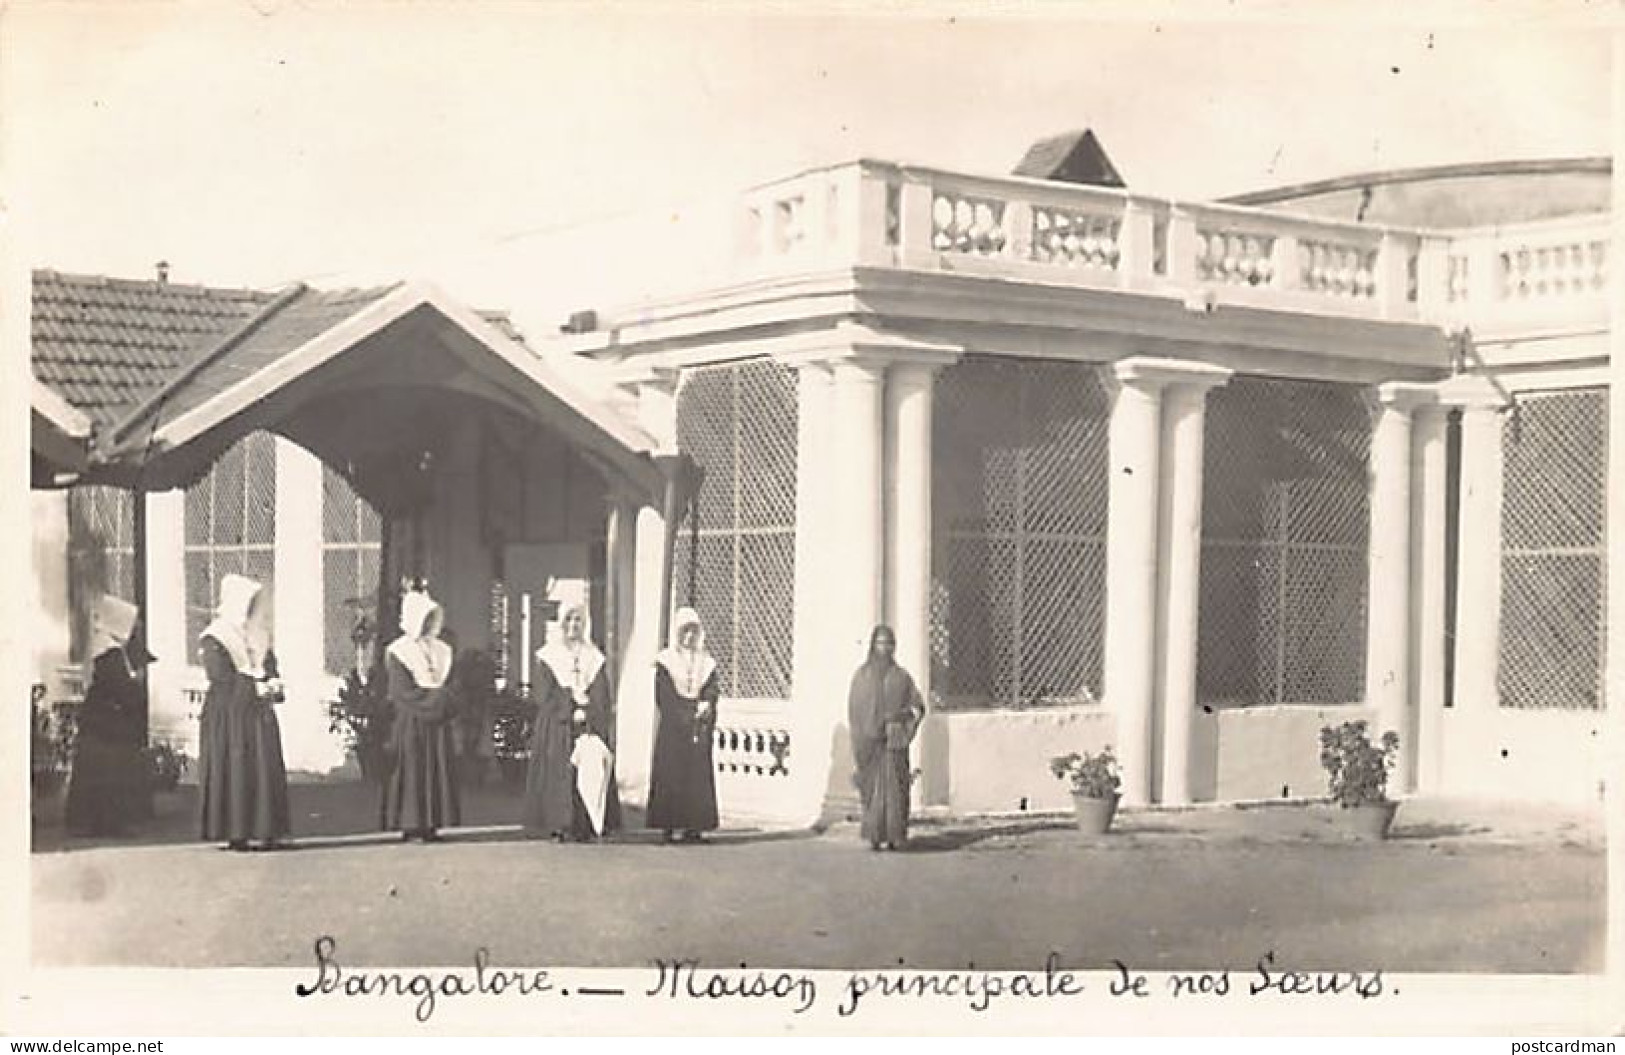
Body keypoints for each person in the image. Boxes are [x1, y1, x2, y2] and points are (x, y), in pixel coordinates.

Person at [198, 574, 291, 852]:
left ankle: (264, 829)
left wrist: (273, 680)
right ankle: (235, 831)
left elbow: (268, 665)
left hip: (256, 713)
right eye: (247, 604)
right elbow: (220, 678)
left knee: (263, 767)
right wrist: (256, 687)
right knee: (236, 768)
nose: (251, 610)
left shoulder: (257, 635)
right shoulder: (215, 637)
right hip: (229, 714)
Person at [522, 603, 621, 842]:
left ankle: (587, 823)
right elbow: (545, 694)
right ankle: (559, 823)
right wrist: (569, 706)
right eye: (569, 620)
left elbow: (602, 692)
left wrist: (589, 710)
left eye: (578, 620)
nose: (573, 626)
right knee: (560, 773)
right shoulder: (548, 655)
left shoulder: (593, 656)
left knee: (589, 769)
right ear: (561, 624)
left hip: (587, 723)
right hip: (558, 725)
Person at [65, 596, 153, 837]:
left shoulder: (101, 645)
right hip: (107, 719)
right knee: (109, 770)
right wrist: (134, 687)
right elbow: (119, 684)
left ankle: (95, 821)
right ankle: (106, 822)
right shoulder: (110, 652)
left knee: (97, 771)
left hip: (97, 716)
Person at [380, 589, 461, 843]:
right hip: (411, 722)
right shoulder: (399, 651)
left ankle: (432, 823)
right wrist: (437, 700)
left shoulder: (442, 649)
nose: (427, 624)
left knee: (437, 769)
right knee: (414, 771)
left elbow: (453, 683)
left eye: (431, 619)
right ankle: (412, 825)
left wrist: (446, 699)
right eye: (423, 619)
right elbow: (401, 692)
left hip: (437, 723)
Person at [848, 625, 926, 852]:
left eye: (889, 644)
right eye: (881, 643)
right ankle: (874, 836)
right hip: (870, 744)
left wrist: (901, 722)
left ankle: (894, 836)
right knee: (873, 792)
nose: (885, 648)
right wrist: (863, 734)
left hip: (894, 742)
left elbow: (918, 706)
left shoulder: (902, 677)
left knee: (896, 791)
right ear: (873, 645)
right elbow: (855, 710)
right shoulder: (862, 677)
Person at [646, 607, 720, 844]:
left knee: (696, 778)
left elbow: (711, 689)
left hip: (698, 728)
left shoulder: (706, 663)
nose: (689, 637)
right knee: (671, 776)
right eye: (684, 632)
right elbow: (664, 696)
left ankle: (694, 827)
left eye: (693, 632)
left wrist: (707, 704)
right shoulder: (665, 662)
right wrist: (688, 713)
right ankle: (668, 827)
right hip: (673, 729)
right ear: (677, 634)